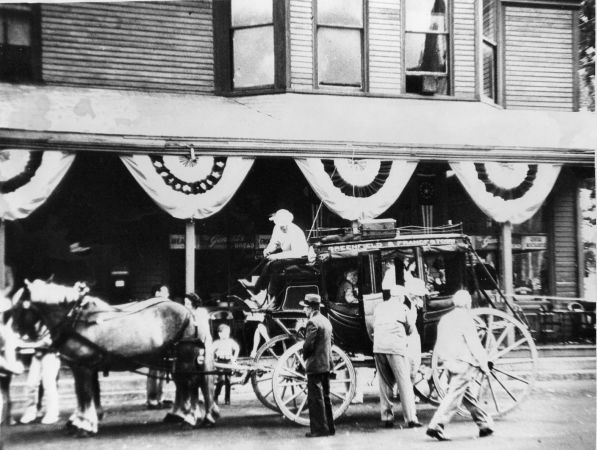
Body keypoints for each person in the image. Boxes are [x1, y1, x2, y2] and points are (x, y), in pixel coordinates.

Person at [426, 290, 494, 441]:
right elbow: (474, 344)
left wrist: (440, 362)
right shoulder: (466, 319)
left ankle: (483, 424)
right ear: (468, 303)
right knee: (454, 397)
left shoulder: (445, 319)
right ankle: (436, 425)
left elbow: (439, 343)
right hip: (464, 363)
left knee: (467, 395)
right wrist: (484, 365)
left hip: (450, 362)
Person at [372, 285, 421, 429]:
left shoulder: (379, 307)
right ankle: (411, 419)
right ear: (401, 297)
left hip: (379, 347)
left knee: (385, 383)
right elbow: (410, 329)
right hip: (395, 348)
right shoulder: (403, 308)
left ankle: (387, 417)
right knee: (404, 383)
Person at [240, 209, 308, 308]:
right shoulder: (277, 228)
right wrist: (268, 250)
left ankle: (260, 291)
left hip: (300, 258)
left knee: (273, 264)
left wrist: (276, 256)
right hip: (287, 258)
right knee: (267, 262)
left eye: (284, 226)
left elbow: (296, 253)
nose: (282, 228)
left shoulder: (295, 231)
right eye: (281, 226)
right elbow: (274, 243)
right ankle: (261, 290)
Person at [300, 293, 334, 438]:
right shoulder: (326, 321)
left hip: (315, 365)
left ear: (310, 308)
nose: (304, 311)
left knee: (315, 399)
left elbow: (308, 345)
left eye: (305, 308)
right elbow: (331, 341)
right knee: (326, 397)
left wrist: (304, 356)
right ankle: (330, 428)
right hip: (326, 364)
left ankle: (319, 429)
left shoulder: (312, 322)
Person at [18, 321, 61, 425]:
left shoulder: (54, 323)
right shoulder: (36, 323)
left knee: (49, 385)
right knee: (30, 384)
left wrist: (23, 343)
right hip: (37, 355)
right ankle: (31, 412)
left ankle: (52, 413)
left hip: (50, 355)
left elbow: (47, 342)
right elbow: (30, 337)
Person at [146, 283, 171, 410]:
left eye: (167, 292)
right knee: (154, 372)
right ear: (157, 293)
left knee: (161, 372)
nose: (167, 295)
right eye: (164, 292)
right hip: (153, 343)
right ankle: (152, 399)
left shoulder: (165, 307)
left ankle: (160, 397)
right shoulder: (152, 307)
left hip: (164, 342)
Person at [212, 323, 240, 405]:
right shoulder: (217, 343)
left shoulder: (230, 342)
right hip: (220, 362)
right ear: (219, 334)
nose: (226, 335)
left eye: (227, 333)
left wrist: (234, 358)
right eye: (224, 333)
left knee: (228, 381)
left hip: (228, 362)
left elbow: (237, 348)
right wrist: (213, 359)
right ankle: (215, 396)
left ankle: (227, 399)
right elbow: (210, 351)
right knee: (220, 380)